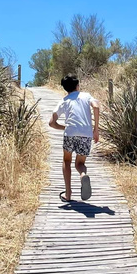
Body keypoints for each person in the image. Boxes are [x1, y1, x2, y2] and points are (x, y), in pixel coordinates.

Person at [49, 74, 100, 203]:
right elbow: (96, 106)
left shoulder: (64, 100)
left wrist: (64, 127)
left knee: (67, 161)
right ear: (77, 86)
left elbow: (51, 122)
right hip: (86, 134)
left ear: (65, 88)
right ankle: (83, 175)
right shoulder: (86, 96)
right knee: (80, 164)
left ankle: (68, 193)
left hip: (70, 133)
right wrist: (96, 129)